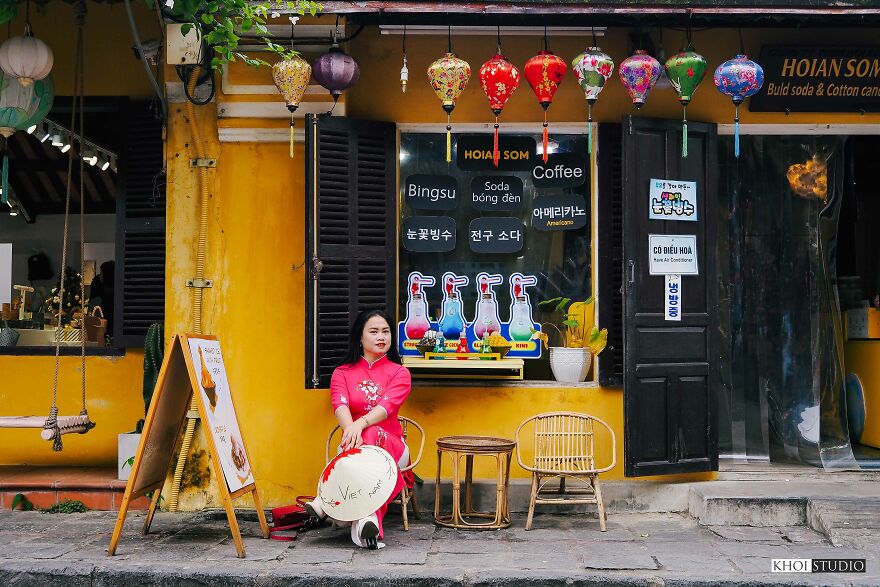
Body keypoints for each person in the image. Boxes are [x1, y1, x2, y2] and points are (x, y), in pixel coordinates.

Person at [305, 309, 414, 550]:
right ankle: (367, 520)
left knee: (371, 433)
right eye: (374, 331)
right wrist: (350, 429)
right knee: (364, 439)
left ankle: (325, 501)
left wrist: (359, 424)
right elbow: (340, 405)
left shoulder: (400, 373)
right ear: (360, 337)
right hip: (353, 445)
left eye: (385, 331)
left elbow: (386, 407)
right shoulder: (342, 373)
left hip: (393, 448)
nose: (381, 337)